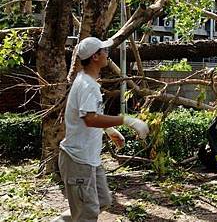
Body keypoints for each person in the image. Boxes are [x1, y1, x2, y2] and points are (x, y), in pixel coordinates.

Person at [58, 37, 149, 221]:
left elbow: (87, 115)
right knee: (87, 213)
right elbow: (90, 118)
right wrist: (126, 120)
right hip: (78, 160)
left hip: (90, 159)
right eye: (104, 51)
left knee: (102, 200)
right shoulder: (87, 85)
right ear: (95, 57)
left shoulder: (88, 81)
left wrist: (108, 130)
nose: (107, 54)